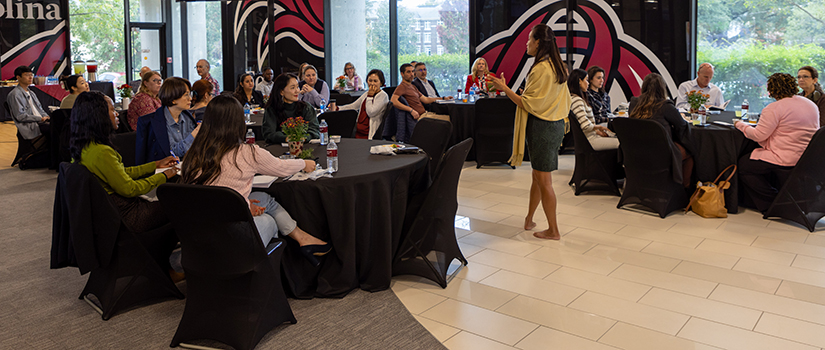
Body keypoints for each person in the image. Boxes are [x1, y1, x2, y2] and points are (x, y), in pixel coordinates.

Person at [181, 96, 331, 264]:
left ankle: (303, 239)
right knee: (269, 220)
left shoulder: (193, 153)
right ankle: (264, 274)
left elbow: (208, 196)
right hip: (232, 237)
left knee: (264, 199)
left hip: (196, 234)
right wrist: (304, 163)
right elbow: (280, 167)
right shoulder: (246, 153)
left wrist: (243, 203)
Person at [70, 91, 180, 278]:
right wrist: (165, 176)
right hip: (126, 217)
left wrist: (154, 165)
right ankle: (164, 267)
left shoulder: (87, 148)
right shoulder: (103, 152)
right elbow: (129, 188)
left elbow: (120, 174)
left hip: (108, 216)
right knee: (181, 207)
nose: (116, 114)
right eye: (112, 110)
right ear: (98, 116)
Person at [490, 24, 570, 240]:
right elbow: (544, 98)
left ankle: (553, 230)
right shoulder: (557, 66)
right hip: (553, 126)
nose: (526, 43)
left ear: (538, 42)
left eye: (529, 39)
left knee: (544, 181)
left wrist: (505, 88)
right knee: (537, 176)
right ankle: (529, 219)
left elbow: (528, 104)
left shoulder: (541, 68)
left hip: (542, 128)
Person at [735, 73, 820, 213]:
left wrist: (740, 125)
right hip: (807, 158)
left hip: (785, 158)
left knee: (744, 165)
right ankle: (781, 200)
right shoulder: (810, 104)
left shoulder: (774, 108)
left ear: (772, 90)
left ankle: (774, 203)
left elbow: (758, 135)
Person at [628, 73, 695, 188]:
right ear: (662, 88)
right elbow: (682, 125)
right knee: (690, 153)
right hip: (661, 151)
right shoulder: (666, 106)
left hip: (636, 149)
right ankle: (683, 189)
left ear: (643, 87)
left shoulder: (634, 103)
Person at [136, 77, 200, 163]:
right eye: (186, 95)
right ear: (173, 99)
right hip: (164, 171)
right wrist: (194, 134)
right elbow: (172, 152)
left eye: (190, 94)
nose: (190, 99)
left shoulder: (188, 117)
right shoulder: (149, 122)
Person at [568, 69, 618, 150]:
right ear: (580, 81)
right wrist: (600, 128)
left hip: (591, 137)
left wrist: (597, 130)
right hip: (591, 140)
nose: (588, 83)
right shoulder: (577, 101)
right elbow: (586, 126)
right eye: (586, 80)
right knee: (623, 143)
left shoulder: (576, 99)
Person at [262, 73, 321, 144]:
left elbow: (315, 131)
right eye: (292, 88)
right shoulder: (272, 109)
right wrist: (287, 138)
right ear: (281, 92)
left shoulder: (306, 107)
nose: (297, 91)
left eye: (297, 87)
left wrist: (303, 138)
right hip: (278, 149)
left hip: (305, 147)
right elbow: (269, 134)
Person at [335, 69, 389, 139]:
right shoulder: (367, 93)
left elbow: (371, 112)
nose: (372, 83)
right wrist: (338, 108)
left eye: (375, 81)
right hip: (358, 130)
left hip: (369, 133)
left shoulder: (382, 95)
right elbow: (354, 106)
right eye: (370, 81)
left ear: (381, 83)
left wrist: (370, 97)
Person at [7, 66, 50, 140]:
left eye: (31, 75)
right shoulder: (15, 94)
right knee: (55, 130)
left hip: (40, 122)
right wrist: (40, 119)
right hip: (32, 124)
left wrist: (47, 117)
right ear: (18, 77)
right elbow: (20, 116)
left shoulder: (31, 93)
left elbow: (40, 109)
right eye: (27, 75)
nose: (30, 77)